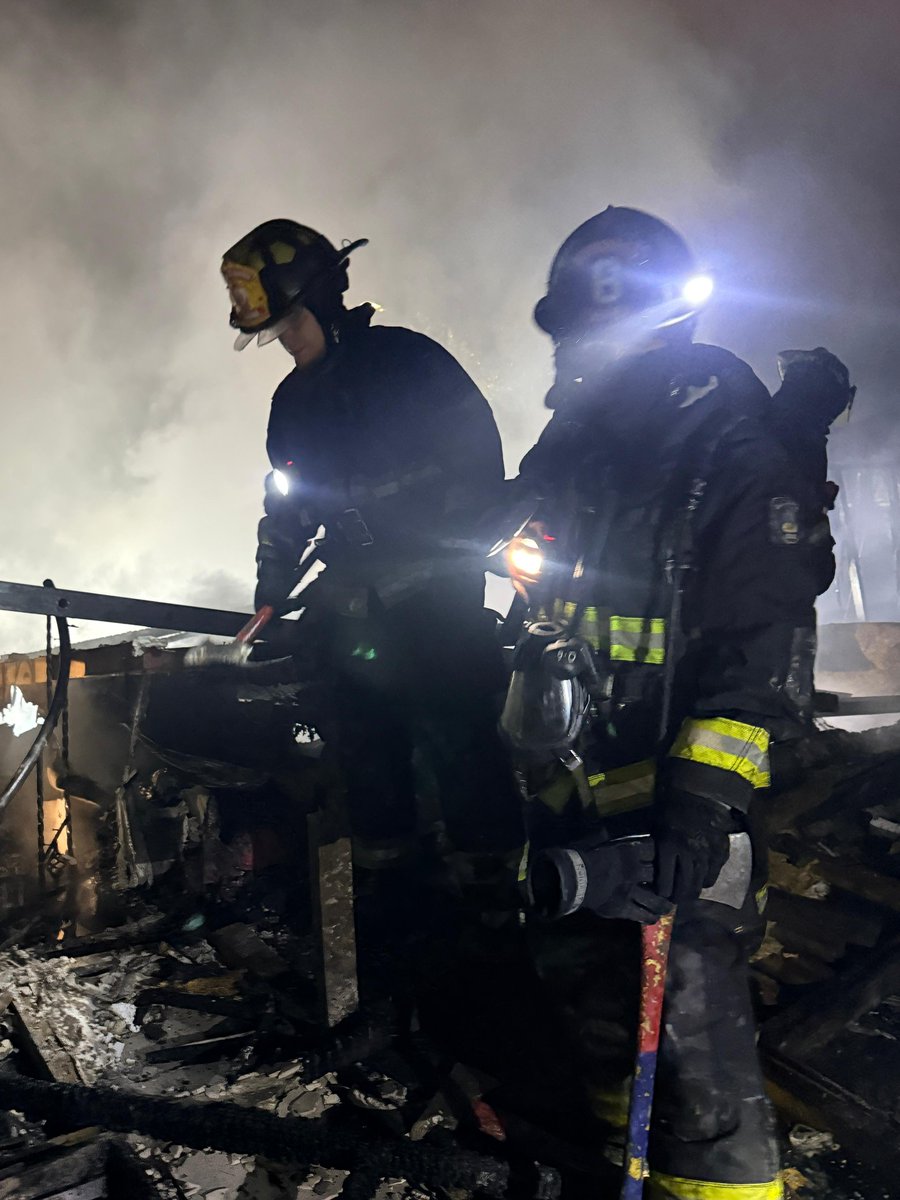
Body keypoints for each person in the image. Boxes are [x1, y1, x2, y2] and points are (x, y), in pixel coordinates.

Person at [499, 206, 851, 1199]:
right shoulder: (576, 436)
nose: (584, 354)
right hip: (575, 776)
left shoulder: (726, 446)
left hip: (674, 798)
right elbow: (527, 543)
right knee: (594, 1005)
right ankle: (628, 1168)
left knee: (695, 1040)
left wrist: (698, 807)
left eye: (599, 335)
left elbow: (760, 647)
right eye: (576, 337)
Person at [219, 220, 522, 946]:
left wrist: (430, 537)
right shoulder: (292, 405)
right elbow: (287, 506)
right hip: (355, 600)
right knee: (368, 749)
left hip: (434, 592)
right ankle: (391, 894)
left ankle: (495, 902)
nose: (284, 343)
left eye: (289, 324)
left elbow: (478, 463)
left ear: (320, 303)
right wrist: (272, 585)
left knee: (459, 737)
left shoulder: (410, 365)